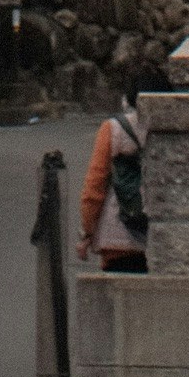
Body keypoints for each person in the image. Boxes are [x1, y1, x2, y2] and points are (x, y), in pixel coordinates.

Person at [80, 69, 149, 272]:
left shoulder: (114, 129)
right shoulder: (173, 130)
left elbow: (95, 185)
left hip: (119, 239)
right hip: (163, 239)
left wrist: (87, 231)